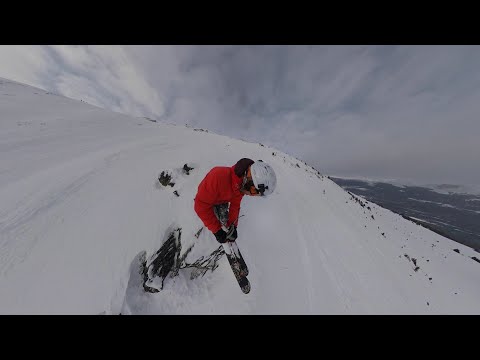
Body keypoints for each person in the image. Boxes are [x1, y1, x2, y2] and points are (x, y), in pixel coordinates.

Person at [194, 158, 277, 244]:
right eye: (253, 191)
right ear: (249, 178)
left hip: (220, 199)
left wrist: (233, 226)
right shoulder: (218, 176)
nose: (250, 195)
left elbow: (235, 206)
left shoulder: (240, 186)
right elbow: (200, 205)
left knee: (224, 221)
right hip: (205, 200)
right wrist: (216, 230)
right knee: (216, 220)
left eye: (256, 194)